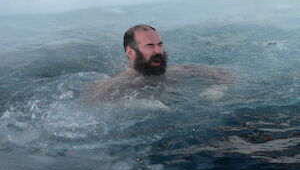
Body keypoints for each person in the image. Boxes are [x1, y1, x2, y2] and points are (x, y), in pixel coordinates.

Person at [88, 24, 232, 102]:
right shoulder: (109, 86)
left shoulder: (182, 70)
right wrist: (131, 105)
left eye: (160, 44)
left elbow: (226, 76)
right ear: (130, 52)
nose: (158, 51)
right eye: (150, 46)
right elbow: (91, 110)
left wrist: (217, 90)